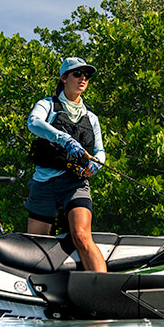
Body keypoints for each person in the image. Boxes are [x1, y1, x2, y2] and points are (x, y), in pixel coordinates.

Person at [25, 56, 108, 272]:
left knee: (81, 236)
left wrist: (97, 164)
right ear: (64, 78)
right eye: (77, 73)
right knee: (36, 245)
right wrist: (64, 139)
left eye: (87, 75)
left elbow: (99, 151)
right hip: (44, 183)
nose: (83, 78)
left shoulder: (92, 118)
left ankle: (104, 286)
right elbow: (33, 123)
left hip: (75, 184)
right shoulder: (47, 105)